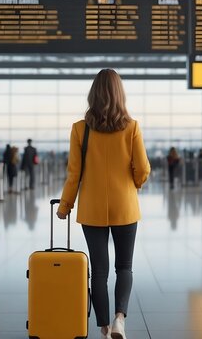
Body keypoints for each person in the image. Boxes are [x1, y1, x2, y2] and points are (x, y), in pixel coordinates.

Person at [56, 69, 151, 339]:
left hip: (92, 208)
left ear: (93, 94)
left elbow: (74, 174)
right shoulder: (131, 127)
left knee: (99, 270)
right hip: (125, 206)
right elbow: (142, 168)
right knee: (125, 266)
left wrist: (65, 206)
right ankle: (120, 318)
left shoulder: (79, 129)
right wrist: (135, 184)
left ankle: (104, 327)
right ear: (120, 94)